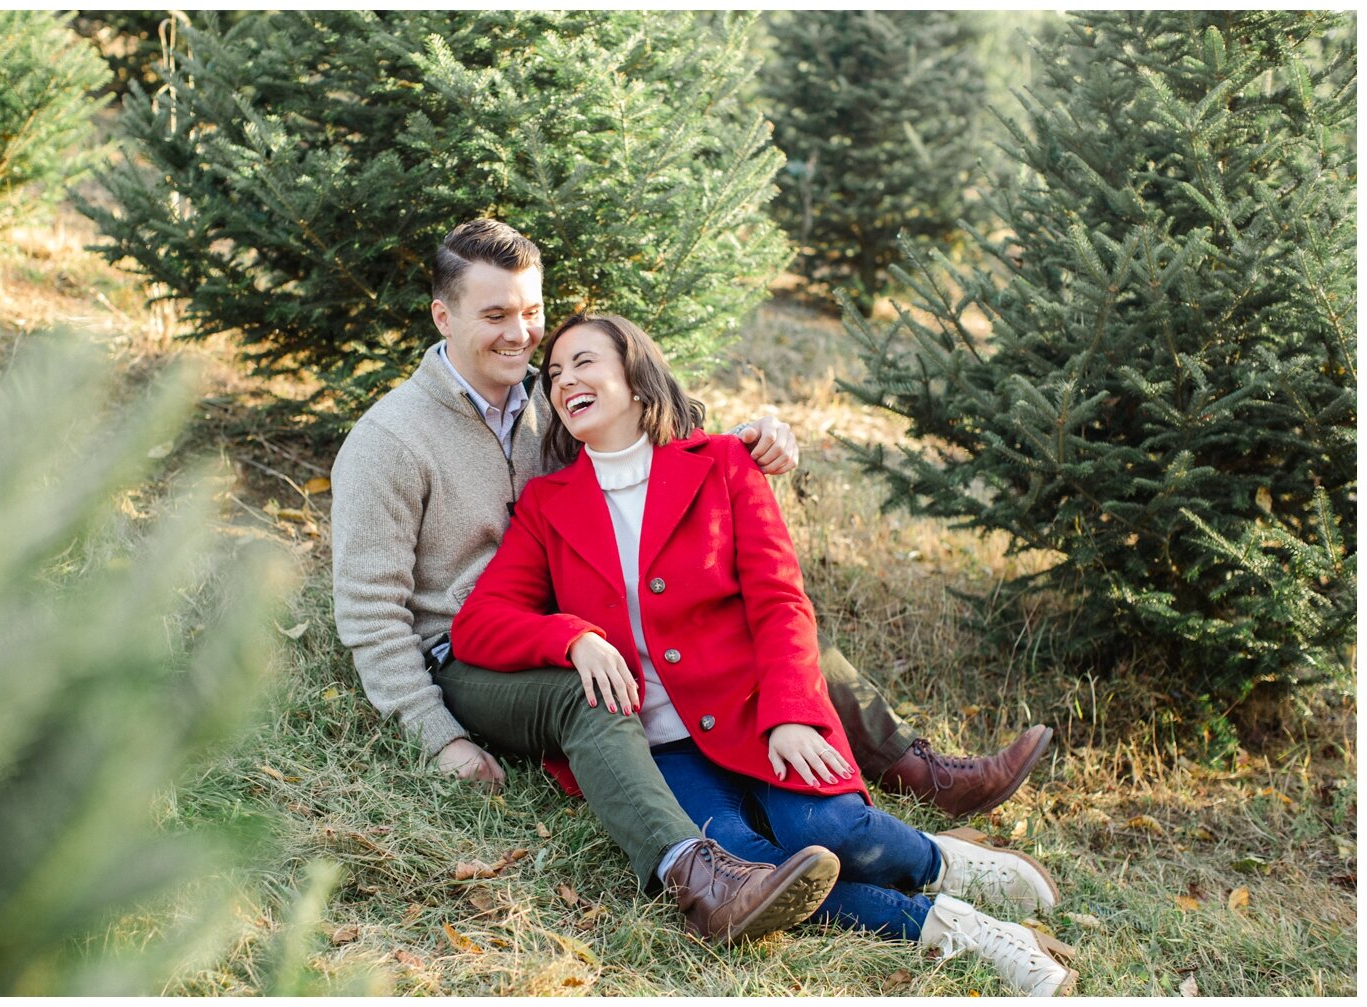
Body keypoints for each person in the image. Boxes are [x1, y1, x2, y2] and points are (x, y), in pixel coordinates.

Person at [450, 314, 1076, 996]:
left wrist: (792, 713)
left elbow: (780, 600)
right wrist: (572, 636)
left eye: (583, 361)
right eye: (556, 373)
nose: (565, 379)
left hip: (758, 708)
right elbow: (479, 623)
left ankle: (941, 862)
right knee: (756, 872)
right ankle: (957, 929)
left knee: (827, 826)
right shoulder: (548, 504)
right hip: (665, 747)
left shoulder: (722, 463)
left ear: (635, 374)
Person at [331, 219, 841, 943]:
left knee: (749, 613)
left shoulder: (549, 398)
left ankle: (906, 767)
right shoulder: (390, 440)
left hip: (572, 619)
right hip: (471, 655)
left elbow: (653, 433)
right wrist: (438, 735)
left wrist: (755, 439)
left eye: (531, 311)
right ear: (443, 317)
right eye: (496, 315)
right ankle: (695, 876)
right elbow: (369, 612)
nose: (521, 334)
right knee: (590, 695)